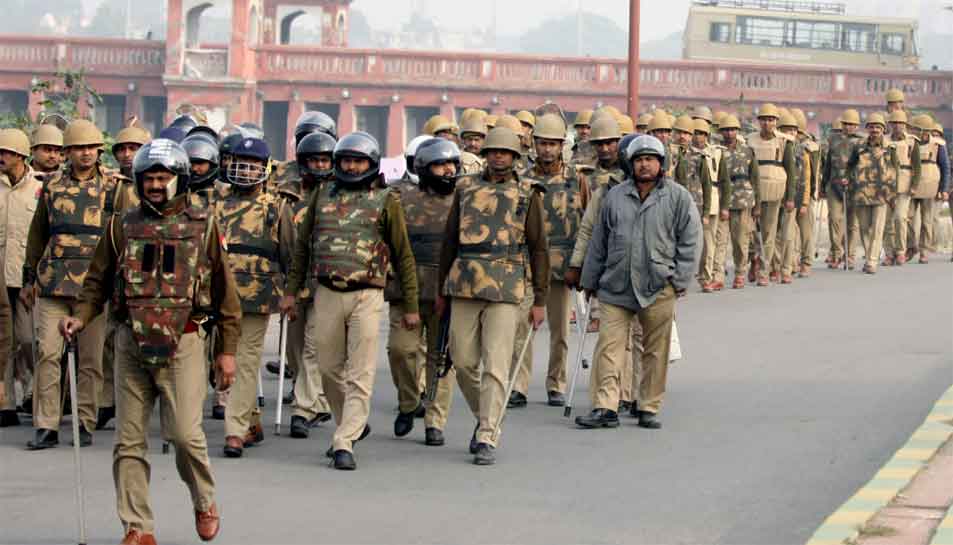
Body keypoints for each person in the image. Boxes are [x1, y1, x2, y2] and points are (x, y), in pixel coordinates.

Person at [60, 138, 239, 545]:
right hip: (130, 342)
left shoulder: (204, 225)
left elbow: (226, 294)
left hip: (185, 341)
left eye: (163, 177)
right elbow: (96, 283)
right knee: (128, 441)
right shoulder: (121, 225)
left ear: (178, 180)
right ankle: (137, 527)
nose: (156, 185)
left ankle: (204, 499)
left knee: (183, 436)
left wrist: (227, 352)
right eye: (149, 178)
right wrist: (80, 317)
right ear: (138, 181)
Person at [282, 131, 419, 470]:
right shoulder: (322, 195)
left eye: (359, 161)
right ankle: (351, 422)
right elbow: (302, 246)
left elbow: (403, 256)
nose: (352, 166)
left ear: (371, 164)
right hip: (326, 291)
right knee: (328, 369)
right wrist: (290, 291)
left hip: (367, 295)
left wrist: (412, 306)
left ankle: (344, 441)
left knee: (360, 372)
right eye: (346, 160)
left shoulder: (387, 200)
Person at [436, 126, 549, 465]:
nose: (499, 156)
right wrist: (442, 287)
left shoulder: (528, 192)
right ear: (485, 155)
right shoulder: (465, 188)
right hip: (465, 283)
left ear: (515, 156)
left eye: (506, 152)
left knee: (496, 365)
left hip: (507, 284)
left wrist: (540, 299)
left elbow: (539, 247)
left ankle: (488, 433)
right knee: (464, 361)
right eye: (493, 151)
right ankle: (484, 414)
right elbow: (449, 241)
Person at [576, 135, 700, 430]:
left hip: (658, 286)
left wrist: (679, 280)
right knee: (609, 347)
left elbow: (691, 241)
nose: (644, 165)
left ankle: (648, 405)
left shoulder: (679, 197)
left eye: (650, 159)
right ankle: (606, 406)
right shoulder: (615, 196)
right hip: (615, 285)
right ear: (630, 164)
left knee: (654, 350)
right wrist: (589, 279)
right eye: (639, 160)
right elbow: (599, 241)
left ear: (661, 164)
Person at [21, 119, 119, 449]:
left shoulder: (115, 189)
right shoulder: (51, 187)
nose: (86, 154)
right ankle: (46, 424)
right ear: (68, 152)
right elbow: (37, 236)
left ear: (99, 151)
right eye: (79, 148)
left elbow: (122, 239)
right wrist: (28, 278)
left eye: (91, 148)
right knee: (48, 353)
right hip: (53, 284)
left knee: (90, 360)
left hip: (93, 289)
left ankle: (85, 421)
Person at [216, 136, 294, 458]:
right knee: (218, 360)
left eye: (253, 166)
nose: (246, 172)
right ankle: (251, 421)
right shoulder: (214, 204)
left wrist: (293, 293)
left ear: (265, 169)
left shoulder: (277, 206)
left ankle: (234, 431)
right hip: (216, 297)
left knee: (246, 362)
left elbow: (290, 253)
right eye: (240, 165)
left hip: (256, 295)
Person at [508, 114, 589, 409]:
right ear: (534, 145)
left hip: (563, 264)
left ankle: (557, 383)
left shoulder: (576, 178)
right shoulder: (522, 180)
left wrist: (582, 265)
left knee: (560, 330)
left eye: (553, 144)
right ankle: (518, 384)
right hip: (528, 264)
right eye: (542, 143)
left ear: (561, 146)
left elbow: (588, 222)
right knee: (521, 328)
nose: (547, 150)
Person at [385, 137, 460, 446]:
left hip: (447, 289)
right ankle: (408, 402)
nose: (448, 170)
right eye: (440, 165)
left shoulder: (463, 199)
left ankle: (435, 420)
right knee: (400, 350)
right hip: (408, 289)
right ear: (423, 168)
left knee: (440, 358)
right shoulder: (401, 198)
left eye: (452, 164)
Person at [283, 132, 336, 438]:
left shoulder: (337, 195)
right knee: (296, 348)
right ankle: (316, 399)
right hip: (294, 281)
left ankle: (302, 410)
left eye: (324, 160)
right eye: (314, 160)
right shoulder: (286, 195)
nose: (319, 165)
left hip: (325, 281)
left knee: (314, 347)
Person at [0, 129, 46, 427]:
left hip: (28, 277)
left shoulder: (40, 188)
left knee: (30, 340)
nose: (1, 157)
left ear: (20, 156)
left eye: (6, 152)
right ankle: (5, 403)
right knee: (3, 341)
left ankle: (34, 393)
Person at [746, 104, 796, 286]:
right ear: (759, 121)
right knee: (752, 233)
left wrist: (790, 197)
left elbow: (791, 170)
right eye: (764, 119)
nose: (767, 123)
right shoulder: (749, 140)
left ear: (776, 122)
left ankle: (766, 271)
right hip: (752, 191)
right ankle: (757, 265)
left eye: (771, 119)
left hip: (775, 190)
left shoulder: (784, 141)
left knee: (769, 232)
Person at [847, 113, 896, 275]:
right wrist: (847, 179)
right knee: (864, 227)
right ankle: (869, 255)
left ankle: (872, 260)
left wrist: (893, 194)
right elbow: (850, 165)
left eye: (878, 127)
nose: (875, 130)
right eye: (872, 127)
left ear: (883, 129)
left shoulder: (890, 147)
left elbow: (896, 170)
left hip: (882, 194)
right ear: (867, 128)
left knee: (877, 228)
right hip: (862, 193)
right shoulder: (859, 147)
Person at [716, 114, 760, 289]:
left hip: (743, 199)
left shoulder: (748, 151)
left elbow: (755, 178)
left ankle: (740, 272)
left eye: (732, 129)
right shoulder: (717, 151)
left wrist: (757, 203)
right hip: (721, 199)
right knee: (720, 240)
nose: (729, 133)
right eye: (726, 130)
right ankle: (717, 275)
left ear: (737, 131)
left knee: (740, 240)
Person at [821, 109, 864, 269]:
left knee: (852, 223)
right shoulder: (833, 140)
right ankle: (836, 252)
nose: (849, 127)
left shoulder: (862, 142)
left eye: (852, 125)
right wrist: (823, 184)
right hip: (834, 184)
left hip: (854, 187)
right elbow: (828, 165)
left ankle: (850, 255)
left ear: (857, 126)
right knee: (834, 218)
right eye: (846, 124)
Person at [907, 115, 950, 264]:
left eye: (918, 129)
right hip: (912, 185)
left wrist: (944, 188)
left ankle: (924, 250)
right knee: (908, 217)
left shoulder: (938, 145)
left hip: (931, 186)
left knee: (927, 221)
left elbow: (945, 168)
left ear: (925, 130)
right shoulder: (910, 143)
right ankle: (911, 246)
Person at [881, 111, 920, 266]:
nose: (897, 126)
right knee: (886, 221)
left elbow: (917, 166)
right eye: (894, 122)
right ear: (890, 124)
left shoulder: (912, 142)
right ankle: (889, 253)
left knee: (900, 218)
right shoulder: (883, 141)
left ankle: (901, 251)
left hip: (904, 183)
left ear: (905, 125)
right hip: (886, 184)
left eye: (900, 123)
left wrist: (914, 185)